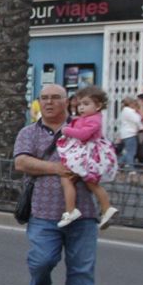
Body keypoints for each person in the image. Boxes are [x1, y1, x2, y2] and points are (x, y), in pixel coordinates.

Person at [14, 84, 98, 285]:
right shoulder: (29, 132)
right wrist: (58, 169)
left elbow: (102, 154)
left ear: (67, 101)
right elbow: (21, 162)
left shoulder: (85, 129)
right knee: (42, 261)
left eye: (55, 98)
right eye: (44, 98)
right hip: (43, 212)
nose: (49, 102)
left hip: (83, 212)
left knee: (82, 268)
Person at [55, 84, 119, 229]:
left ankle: (73, 211)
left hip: (88, 155)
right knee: (85, 182)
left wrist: (67, 130)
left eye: (86, 104)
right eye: (79, 104)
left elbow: (84, 134)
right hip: (85, 154)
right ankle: (104, 209)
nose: (81, 107)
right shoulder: (88, 118)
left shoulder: (94, 119)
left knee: (70, 179)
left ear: (98, 106)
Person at [115, 96, 143, 168]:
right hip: (130, 134)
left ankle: (118, 164)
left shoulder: (124, 111)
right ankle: (131, 168)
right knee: (131, 152)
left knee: (129, 151)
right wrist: (141, 128)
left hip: (125, 134)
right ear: (131, 104)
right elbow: (137, 120)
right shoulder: (129, 111)